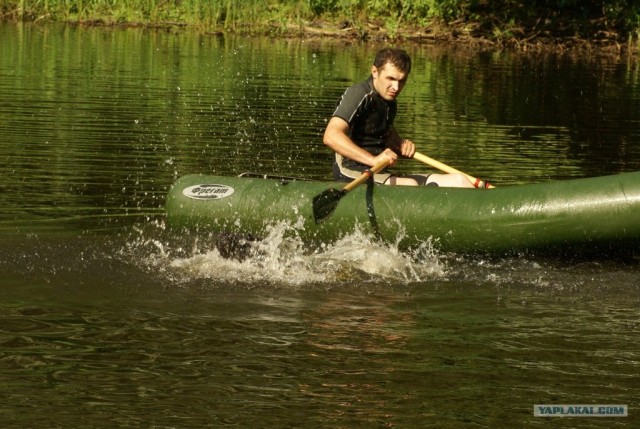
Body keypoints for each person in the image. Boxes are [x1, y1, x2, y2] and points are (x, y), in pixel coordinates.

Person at [323, 47, 474, 188]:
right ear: (375, 72)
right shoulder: (359, 94)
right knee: (409, 185)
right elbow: (331, 136)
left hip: (380, 174)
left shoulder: (389, 102)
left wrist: (400, 144)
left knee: (459, 181)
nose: (396, 87)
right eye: (391, 78)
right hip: (351, 171)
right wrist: (373, 160)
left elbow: (382, 134)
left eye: (401, 81)